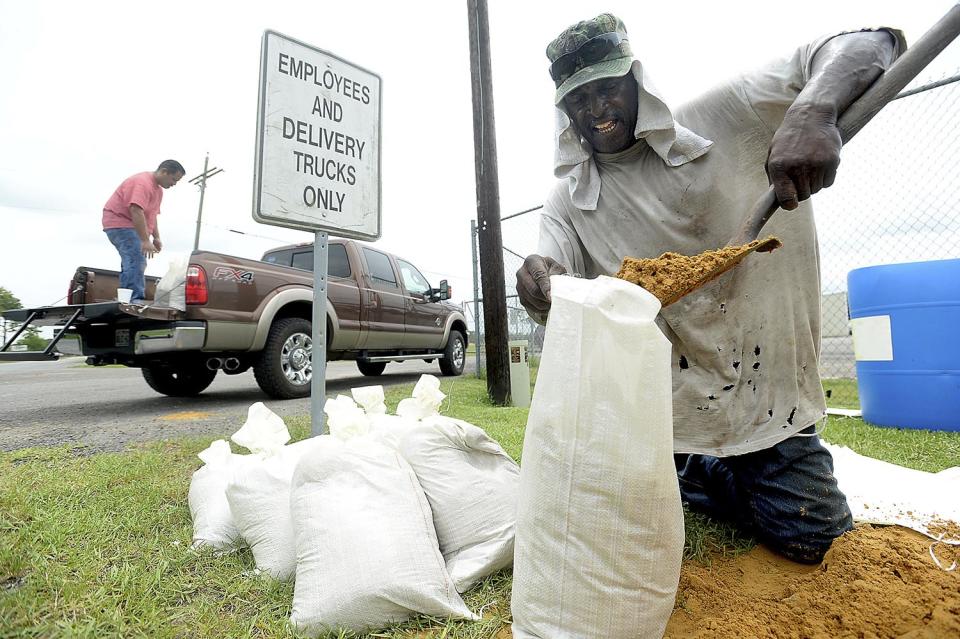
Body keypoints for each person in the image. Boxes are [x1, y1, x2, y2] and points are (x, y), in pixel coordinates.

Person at [516, 14, 903, 563]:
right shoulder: (571, 200)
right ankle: (692, 469)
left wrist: (812, 112)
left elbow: (872, 41)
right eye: (580, 99)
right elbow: (553, 277)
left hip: (768, 406)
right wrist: (539, 284)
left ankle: (711, 476)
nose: (597, 109)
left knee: (812, 538)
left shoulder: (726, 114)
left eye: (607, 89)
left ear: (636, 84)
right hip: (663, 418)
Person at [102, 160, 185, 303]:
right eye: (173, 179)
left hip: (133, 226)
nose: (174, 184)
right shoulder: (142, 183)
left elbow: (151, 215)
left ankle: (126, 296)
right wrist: (145, 240)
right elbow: (136, 209)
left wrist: (156, 237)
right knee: (137, 259)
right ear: (164, 171)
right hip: (120, 223)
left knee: (132, 259)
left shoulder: (158, 191)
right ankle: (133, 300)